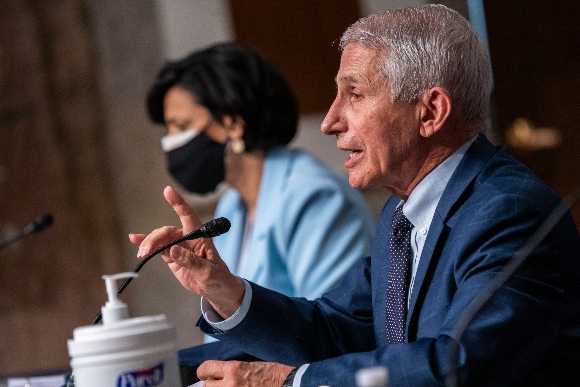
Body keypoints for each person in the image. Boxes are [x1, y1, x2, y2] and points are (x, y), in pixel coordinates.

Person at [131, 5, 580, 386]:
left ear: (431, 112)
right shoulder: (403, 215)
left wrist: (288, 381)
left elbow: (457, 364)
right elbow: (335, 330)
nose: (329, 122)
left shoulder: (508, 212)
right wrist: (221, 288)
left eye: (355, 94)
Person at [144, 42, 375, 380]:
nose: (171, 142)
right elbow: (224, 342)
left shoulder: (315, 198)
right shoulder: (231, 209)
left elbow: (333, 341)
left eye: (180, 125)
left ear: (233, 123)